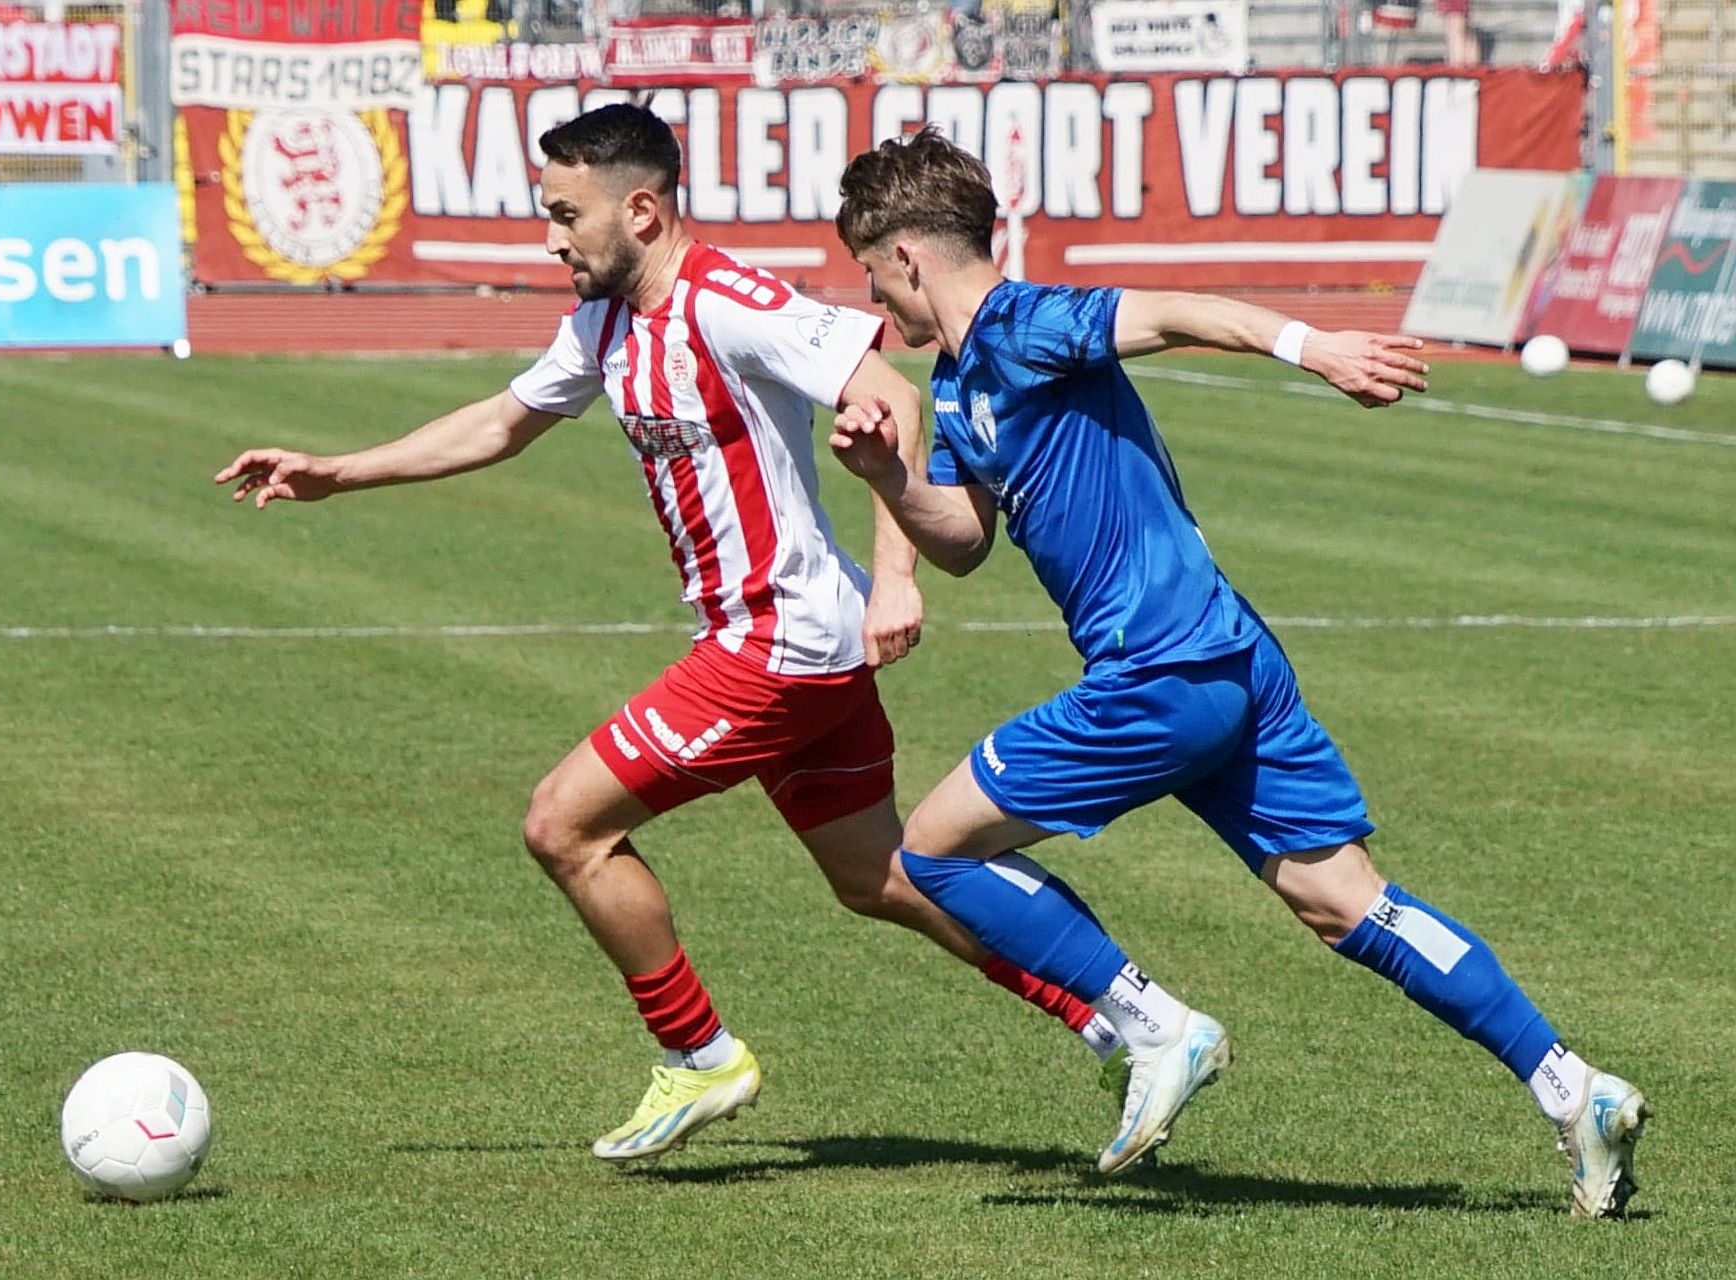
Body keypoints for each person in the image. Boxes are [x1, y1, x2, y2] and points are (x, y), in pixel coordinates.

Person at [215, 104, 1139, 1164]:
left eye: (567, 215)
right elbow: (503, 422)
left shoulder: (727, 300)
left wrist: (897, 578)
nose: (551, 239)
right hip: (792, 641)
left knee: (563, 825)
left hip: (776, 642)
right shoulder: (605, 322)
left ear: (643, 212)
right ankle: (1121, 1016)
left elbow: (887, 392)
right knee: (880, 875)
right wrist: (337, 472)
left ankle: (700, 1053)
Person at [825, 127, 1650, 1216]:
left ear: (908, 255)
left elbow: (1178, 313)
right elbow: (965, 541)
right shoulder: (957, 382)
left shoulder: (1028, 324)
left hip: (1159, 670)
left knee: (930, 848)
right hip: (1227, 658)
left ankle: (1154, 1025)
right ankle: (1574, 1087)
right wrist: (888, 476)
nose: (876, 300)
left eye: (872, 272)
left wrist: (1317, 350)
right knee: (1344, 900)